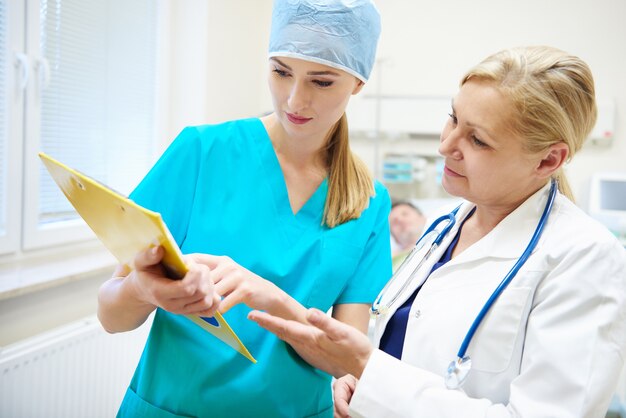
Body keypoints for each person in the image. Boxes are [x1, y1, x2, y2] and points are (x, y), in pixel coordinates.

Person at [249, 46, 626, 417]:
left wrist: (368, 369)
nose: (445, 145)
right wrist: (357, 382)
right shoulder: (445, 227)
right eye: (452, 118)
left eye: (477, 140)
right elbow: (399, 356)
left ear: (549, 159)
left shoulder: (584, 258)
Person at [97, 1, 392, 417]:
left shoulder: (369, 202)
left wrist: (272, 299)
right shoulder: (200, 152)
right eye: (281, 71)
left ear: (358, 83)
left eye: (321, 82)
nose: (294, 99)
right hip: (172, 405)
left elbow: (346, 359)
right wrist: (142, 290)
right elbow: (111, 317)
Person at [389, 200, 426, 270]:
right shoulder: (389, 265)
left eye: (405, 214)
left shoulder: (448, 240)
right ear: (395, 239)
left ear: (423, 218)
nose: (400, 220)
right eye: (395, 221)